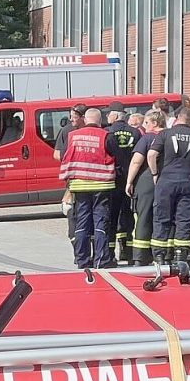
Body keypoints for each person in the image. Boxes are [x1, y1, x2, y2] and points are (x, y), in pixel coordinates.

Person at [146, 106, 190, 264]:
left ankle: (159, 257)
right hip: (188, 181)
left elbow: (152, 154)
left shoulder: (165, 134)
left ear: (177, 118)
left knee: (161, 218)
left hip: (166, 180)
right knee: (183, 220)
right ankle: (181, 256)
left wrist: (155, 174)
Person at [59, 108, 118, 269]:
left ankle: (82, 260)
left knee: (82, 223)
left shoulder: (72, 136)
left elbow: (64, 156)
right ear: (100, 121)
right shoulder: (106, 136)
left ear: (85, 120)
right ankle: (101, 260)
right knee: (100, 223)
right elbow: (116, 156)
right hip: (102, 185)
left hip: (79, 185)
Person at [126, 110, 166, 266]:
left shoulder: (148, 138)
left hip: (147, 181)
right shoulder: (170, 136)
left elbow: (137, 161)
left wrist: (129, 181)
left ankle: (141, 256)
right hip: (167, 182)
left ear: (155, 123)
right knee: (163, 218)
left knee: (143, 217)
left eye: (147, 123)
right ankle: (163, 255)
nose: (144, 126)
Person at [106, 101, 142, 264]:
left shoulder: (107, 133)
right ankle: (128, 252)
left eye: (109, 113)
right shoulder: (135, 132)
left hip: (113, 179)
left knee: (112, 216)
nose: (107, 116)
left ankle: (110, 252)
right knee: (128, 216)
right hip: (131, 179)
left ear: (115, 115)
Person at [54, 103, 89, 245]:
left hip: (86, 179)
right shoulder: (66, 131)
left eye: (74, 117)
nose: (72, 120)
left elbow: (58, 155)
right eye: (71, 117)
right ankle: (76, 243)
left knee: (76, 212)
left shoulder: (88, 131)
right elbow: (57, 154)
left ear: (83, 117)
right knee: (73, 212)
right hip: (75, 179)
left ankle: (80, 246)